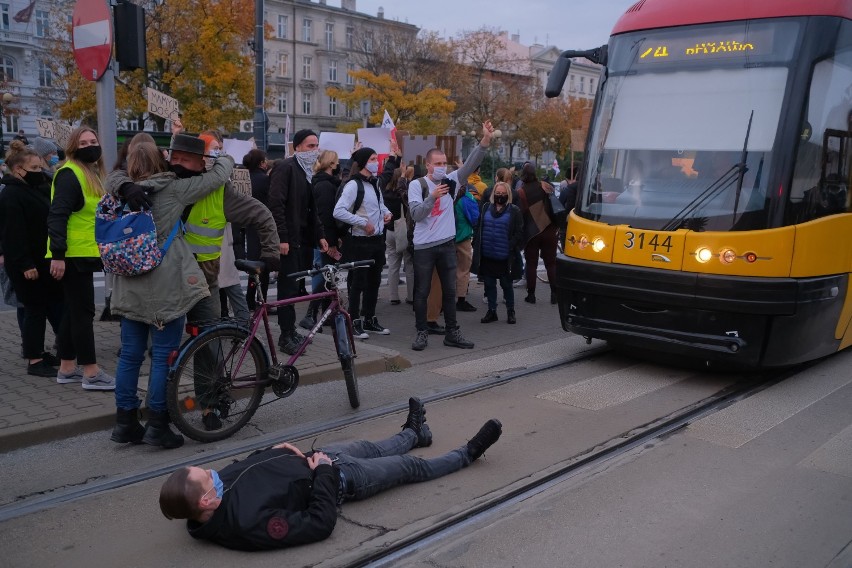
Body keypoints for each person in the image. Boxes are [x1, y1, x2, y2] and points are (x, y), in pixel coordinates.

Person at [158, 397, 503, 551]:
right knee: (409, 468)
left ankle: (416, 434)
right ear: (205, 499)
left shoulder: (213, 496)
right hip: (338, 478)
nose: (211, 471)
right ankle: (467, 454)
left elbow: (249, 467)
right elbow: (318, 524)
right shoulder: (245, 526)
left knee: (374, 445)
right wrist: (323, 472)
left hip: (315, 459)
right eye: (205, 475)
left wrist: (278, 450)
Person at [106, 140, 235, 449]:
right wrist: (223, 157)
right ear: (160, 162)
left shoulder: (117, 192)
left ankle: (125, 423)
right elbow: (216, 178)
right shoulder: (172, 190)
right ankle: (157, 425)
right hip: (164, 288)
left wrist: (124, 183)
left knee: (130, 356)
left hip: (127, 286)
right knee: (164, 356)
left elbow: (110, 176)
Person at [408, 121, 494, 351]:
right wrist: (433, 197)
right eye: (437, 164)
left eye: (444, 163)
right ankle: (421, 332)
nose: (442, 167)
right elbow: (416, 215)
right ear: (427, 165)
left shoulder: (452, 180)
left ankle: (452, 333)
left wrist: (484, 141)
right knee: (422, 291)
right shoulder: (417, 185)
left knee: (450, 290)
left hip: (447, 244)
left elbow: (471, 164)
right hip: (424, 247)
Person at [47, 126, 115, 390]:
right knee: (83, 314)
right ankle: (91, 372)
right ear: (74, 148)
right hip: (72, 254)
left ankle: (66, 368)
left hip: (83, 253)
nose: (90, 146)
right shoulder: (70, 174)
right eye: (84, 142)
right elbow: (57, 215)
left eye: (93, 141)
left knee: (73, 312)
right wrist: (58, 255)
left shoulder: (90, 174)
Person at [0, 143, 64, 376]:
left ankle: (40, 352)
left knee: (46, 306)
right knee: (34, 311)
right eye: (34, 167)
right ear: (18, 169)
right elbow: (13, 235)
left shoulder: (35, 188)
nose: (39, 170)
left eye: (40, 166)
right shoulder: (11, 194)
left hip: (42, 261)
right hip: (27, 265)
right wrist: (26, 264)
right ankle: (34, 360)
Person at [268, 129, 329, 355]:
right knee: (286, 288)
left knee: (293, 288)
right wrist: (282, 237)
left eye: (316, 146)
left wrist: (320, 235)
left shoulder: (305, 171)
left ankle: (290, 329)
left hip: (301, 240)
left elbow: (310, 210)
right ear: (298, 148)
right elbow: (276, 204)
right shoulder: (286, 168)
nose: (315, 150)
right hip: (289, 241)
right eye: (310, 146)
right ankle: (285, 336)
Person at [333, 146, 393, 337]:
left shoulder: (374, 183)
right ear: (364, 162)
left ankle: (369, 318)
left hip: (377, 240)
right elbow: (338, 211)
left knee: (374, 281)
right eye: (374, 159)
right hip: (359, 241)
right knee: (357, 283)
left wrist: (387, 213)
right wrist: (362, 222)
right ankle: (354, 320)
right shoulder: (353, 185)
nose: (377, 162)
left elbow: (380, 204)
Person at [302, 149, 343, 330]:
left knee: (327, 274)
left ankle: (327, 313)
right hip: (325, 237)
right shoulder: (326, 186)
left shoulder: (320, 182)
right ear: (332, 164)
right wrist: (331, 242)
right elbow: (326, 216)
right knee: (324, 274)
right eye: (337, 162)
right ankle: (311, 313)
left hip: (321, 236)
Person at [472, 182, 523, 324]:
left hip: (505, 257)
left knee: (507, 285)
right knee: (489, 284)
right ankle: (492, 311)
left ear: (508, 194)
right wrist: (475, 241)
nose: (500, 196)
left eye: (503, 193)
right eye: (497, 193)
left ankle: (510, 311)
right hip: (487, 254)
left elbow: (519, 232)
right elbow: (479, 225)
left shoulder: (514, 211)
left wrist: (510, 245)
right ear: (493, 194)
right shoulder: (485, 208)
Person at [516, 163, 558, 305]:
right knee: (551, 263)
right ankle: (554, 294)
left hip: (532, 232)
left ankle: (531, 295)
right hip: (550, 230)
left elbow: (521, 214)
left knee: (531, 264)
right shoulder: (545, 186)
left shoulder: (521, 192)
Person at [240, 148, 271, 310]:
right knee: (263, 267)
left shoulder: (244, 179)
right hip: (263, 225)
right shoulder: (265, 180)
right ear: (261, 163)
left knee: (253, 265)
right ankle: (261, 300)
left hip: (248, 224)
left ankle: (250, 299)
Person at [384, 166, 414, 305]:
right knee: (409, 264)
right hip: (404, 231)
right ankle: (411, 296)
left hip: (390, 231)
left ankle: (393, 296)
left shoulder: (386, 192)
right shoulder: (404, 193)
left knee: (393, 265)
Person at [454, 178, 480, 313]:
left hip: (446, 237)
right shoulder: (467, 197)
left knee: (445, 270)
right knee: (463, 270)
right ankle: (461, 300)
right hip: (463, 236)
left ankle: (441, 299)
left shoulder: (445, 194)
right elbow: (475, 217)